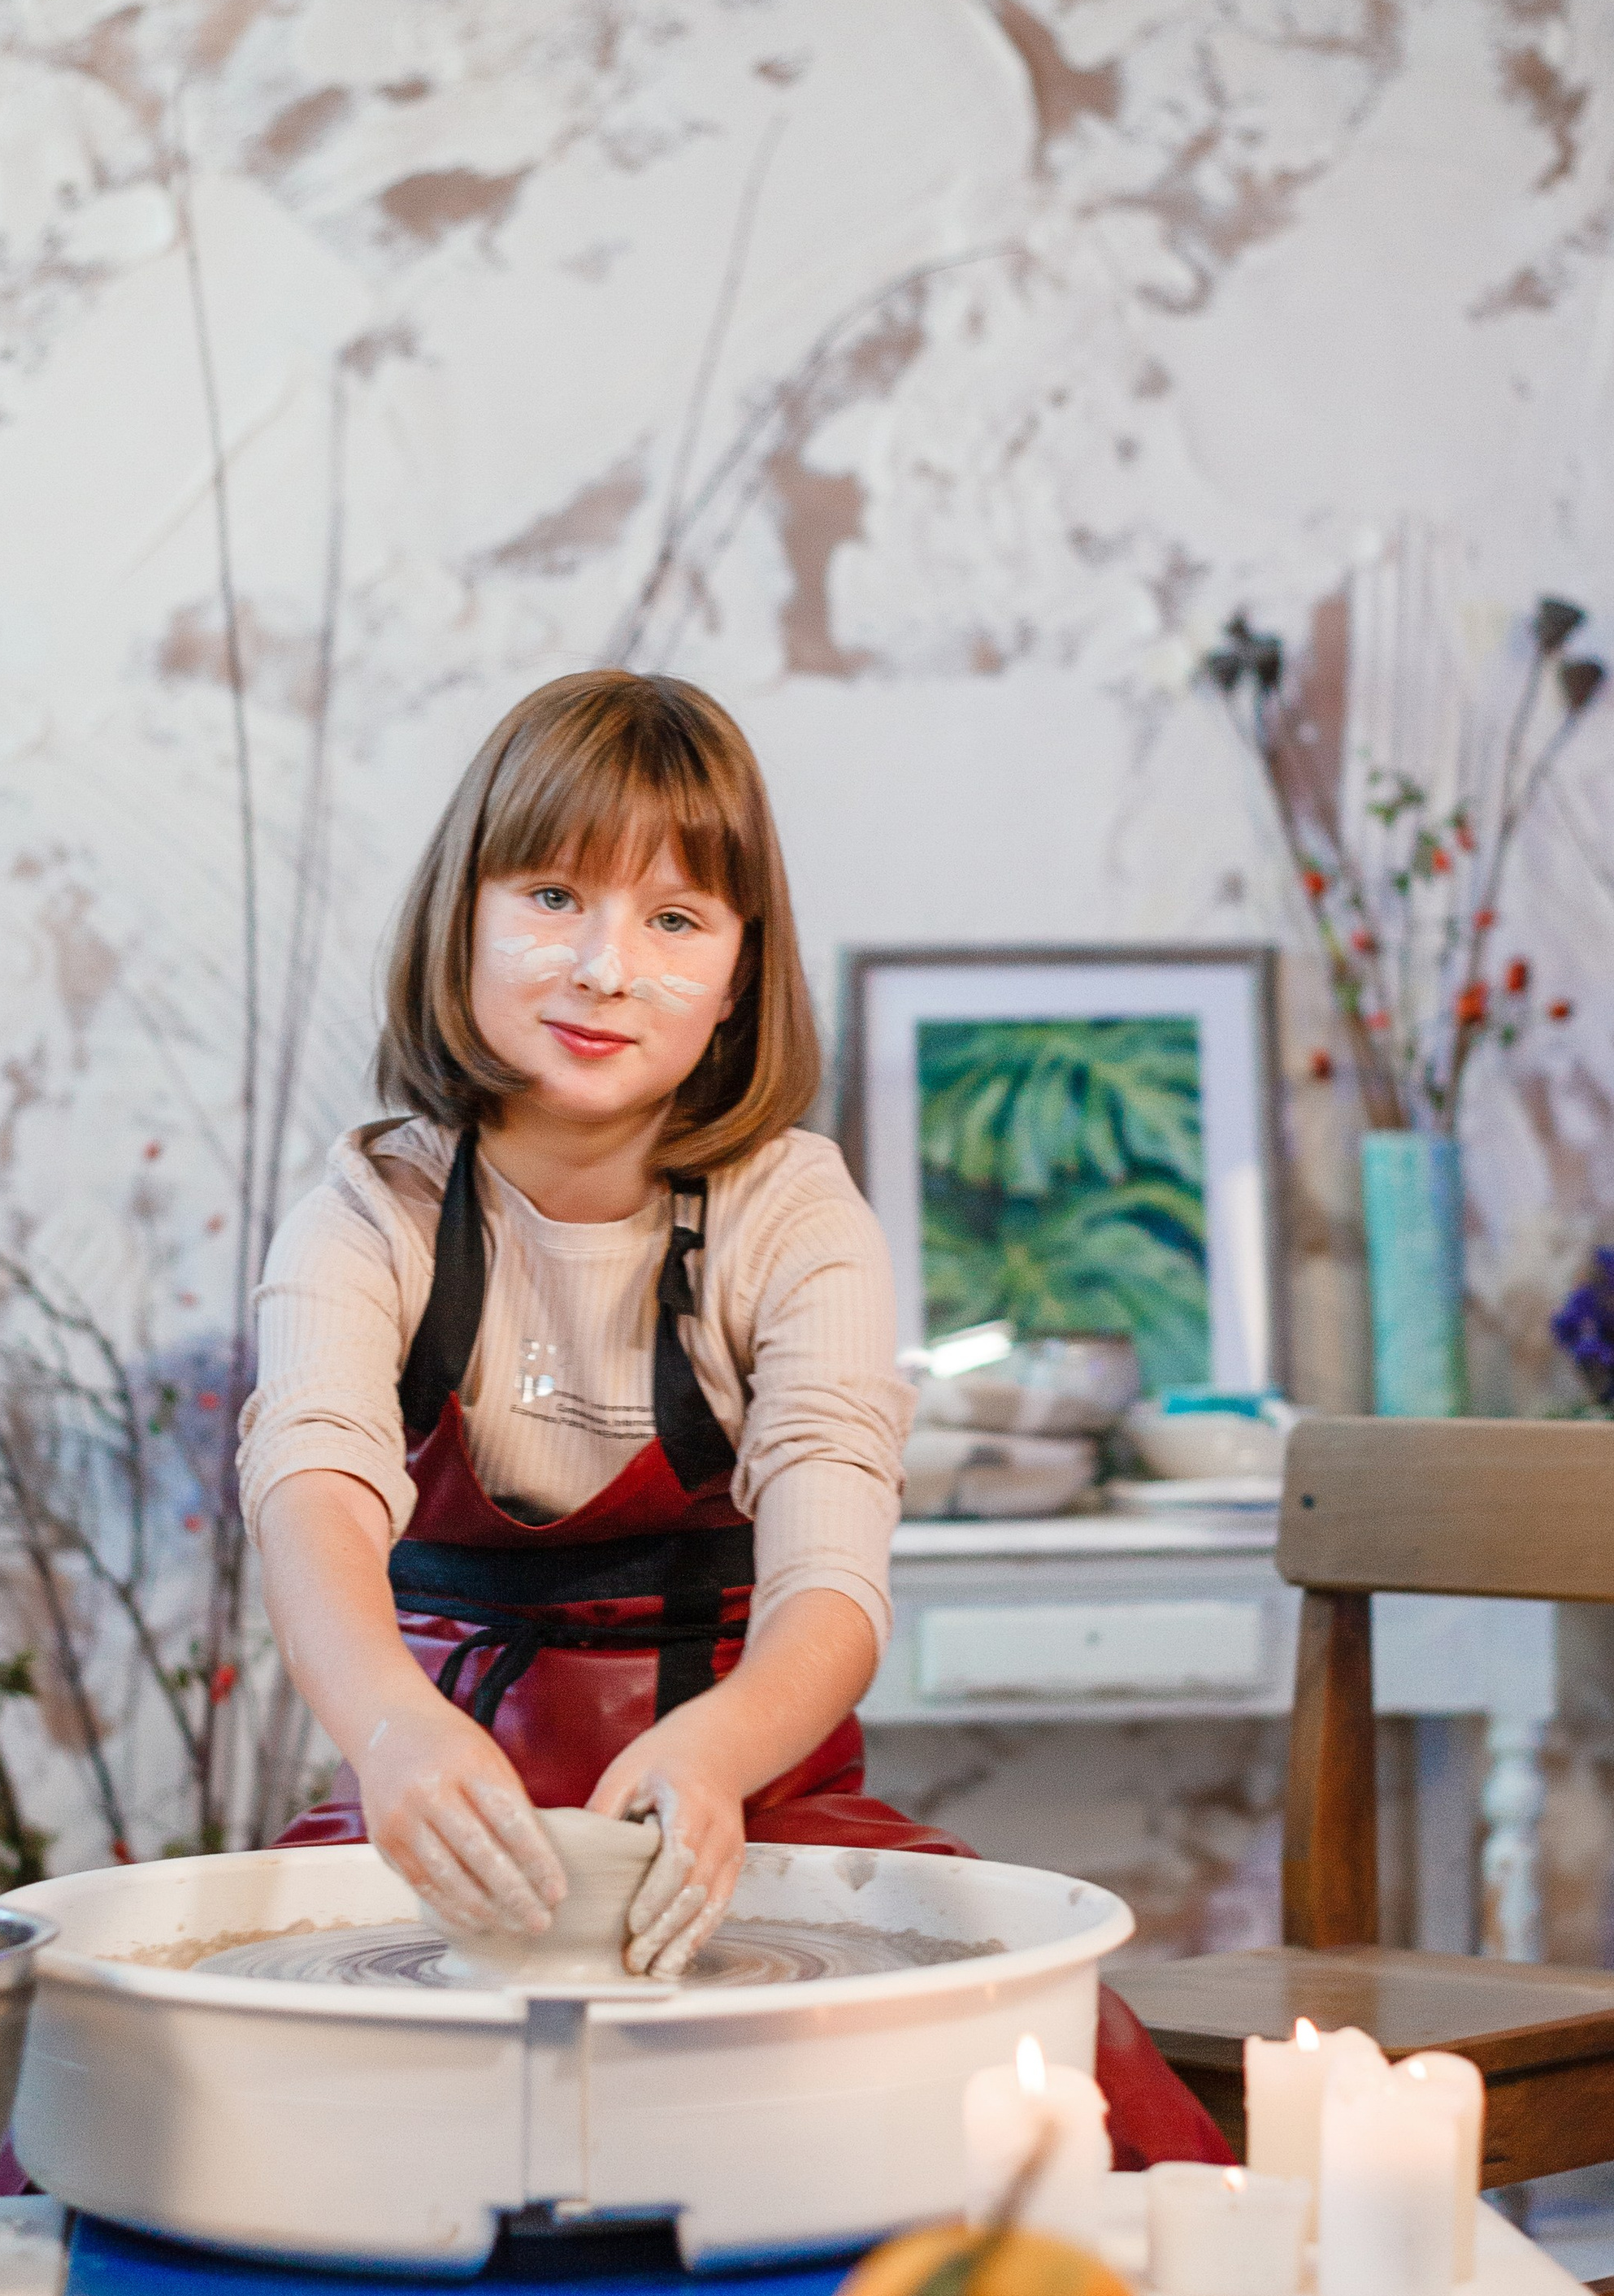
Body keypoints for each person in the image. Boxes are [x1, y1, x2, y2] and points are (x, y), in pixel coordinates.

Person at [239, 671, 1226, 2164]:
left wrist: (716, 1756)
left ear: (743, 967)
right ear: (464, 918)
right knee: (154, 2089)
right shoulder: (367, 1207)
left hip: (754, 1802)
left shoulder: (793, 1208)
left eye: (675, 920)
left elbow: (834, 1572)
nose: (603, 968)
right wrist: (389, 1733)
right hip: (440, 1800)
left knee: (1068, 2087)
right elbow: (311, 1490)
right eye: (554, 894)